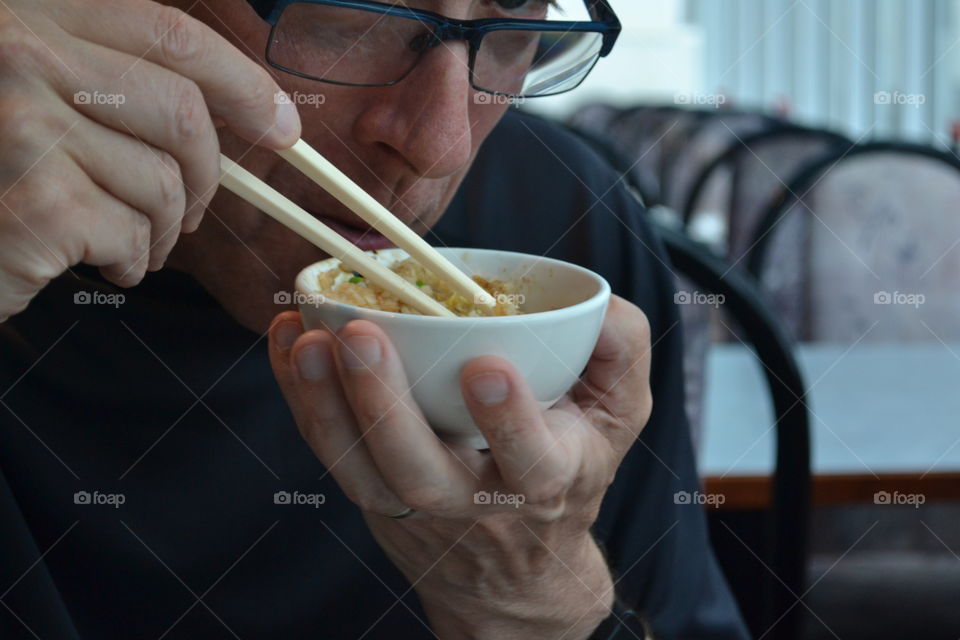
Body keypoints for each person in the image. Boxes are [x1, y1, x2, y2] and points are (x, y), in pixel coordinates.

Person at [0, 0, 749, 638]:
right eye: (349, 12)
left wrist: (540, 607)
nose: (438, 145)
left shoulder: (561, 236)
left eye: (519, 14)